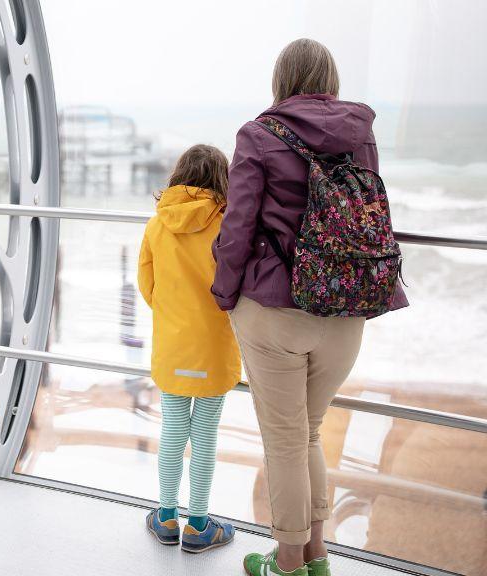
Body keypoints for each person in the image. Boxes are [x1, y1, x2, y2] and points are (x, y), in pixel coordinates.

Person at [212, 39, 408, 576]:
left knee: (285, 440)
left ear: (281, 79)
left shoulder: (258, 134)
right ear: (330, 77)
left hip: (277, 309)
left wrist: (226, 294)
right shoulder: (361, 132)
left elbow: (238, 227)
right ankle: (317, 556)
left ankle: (287, 561)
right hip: (348, 307)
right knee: (310, 431)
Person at [139, 145, 239, 554]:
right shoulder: (229, 224)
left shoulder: (156, 225)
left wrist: (173, 314)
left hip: (173, 345)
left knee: (173, 431)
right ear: (222, 180)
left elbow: (147, 287)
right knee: (205, 434)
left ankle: (165, 518)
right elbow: (238, 284)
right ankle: (198, 524)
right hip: (214, 347)